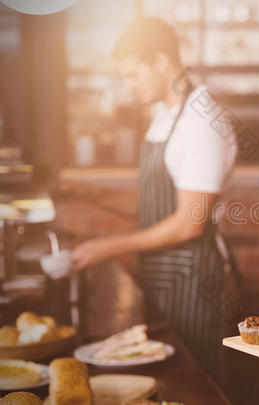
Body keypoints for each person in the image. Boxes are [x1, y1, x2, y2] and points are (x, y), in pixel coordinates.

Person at [72, 18, 238, 380]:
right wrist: (93, 195)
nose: (128, 87)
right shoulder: (164, 116)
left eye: (133, 75)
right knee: (165, 380)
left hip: (193, 278)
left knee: (196, 381)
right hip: (162, 276)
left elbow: (190, 221)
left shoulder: (201, 117)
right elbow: (157, 201)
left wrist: (110, 246)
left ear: (161, 63)